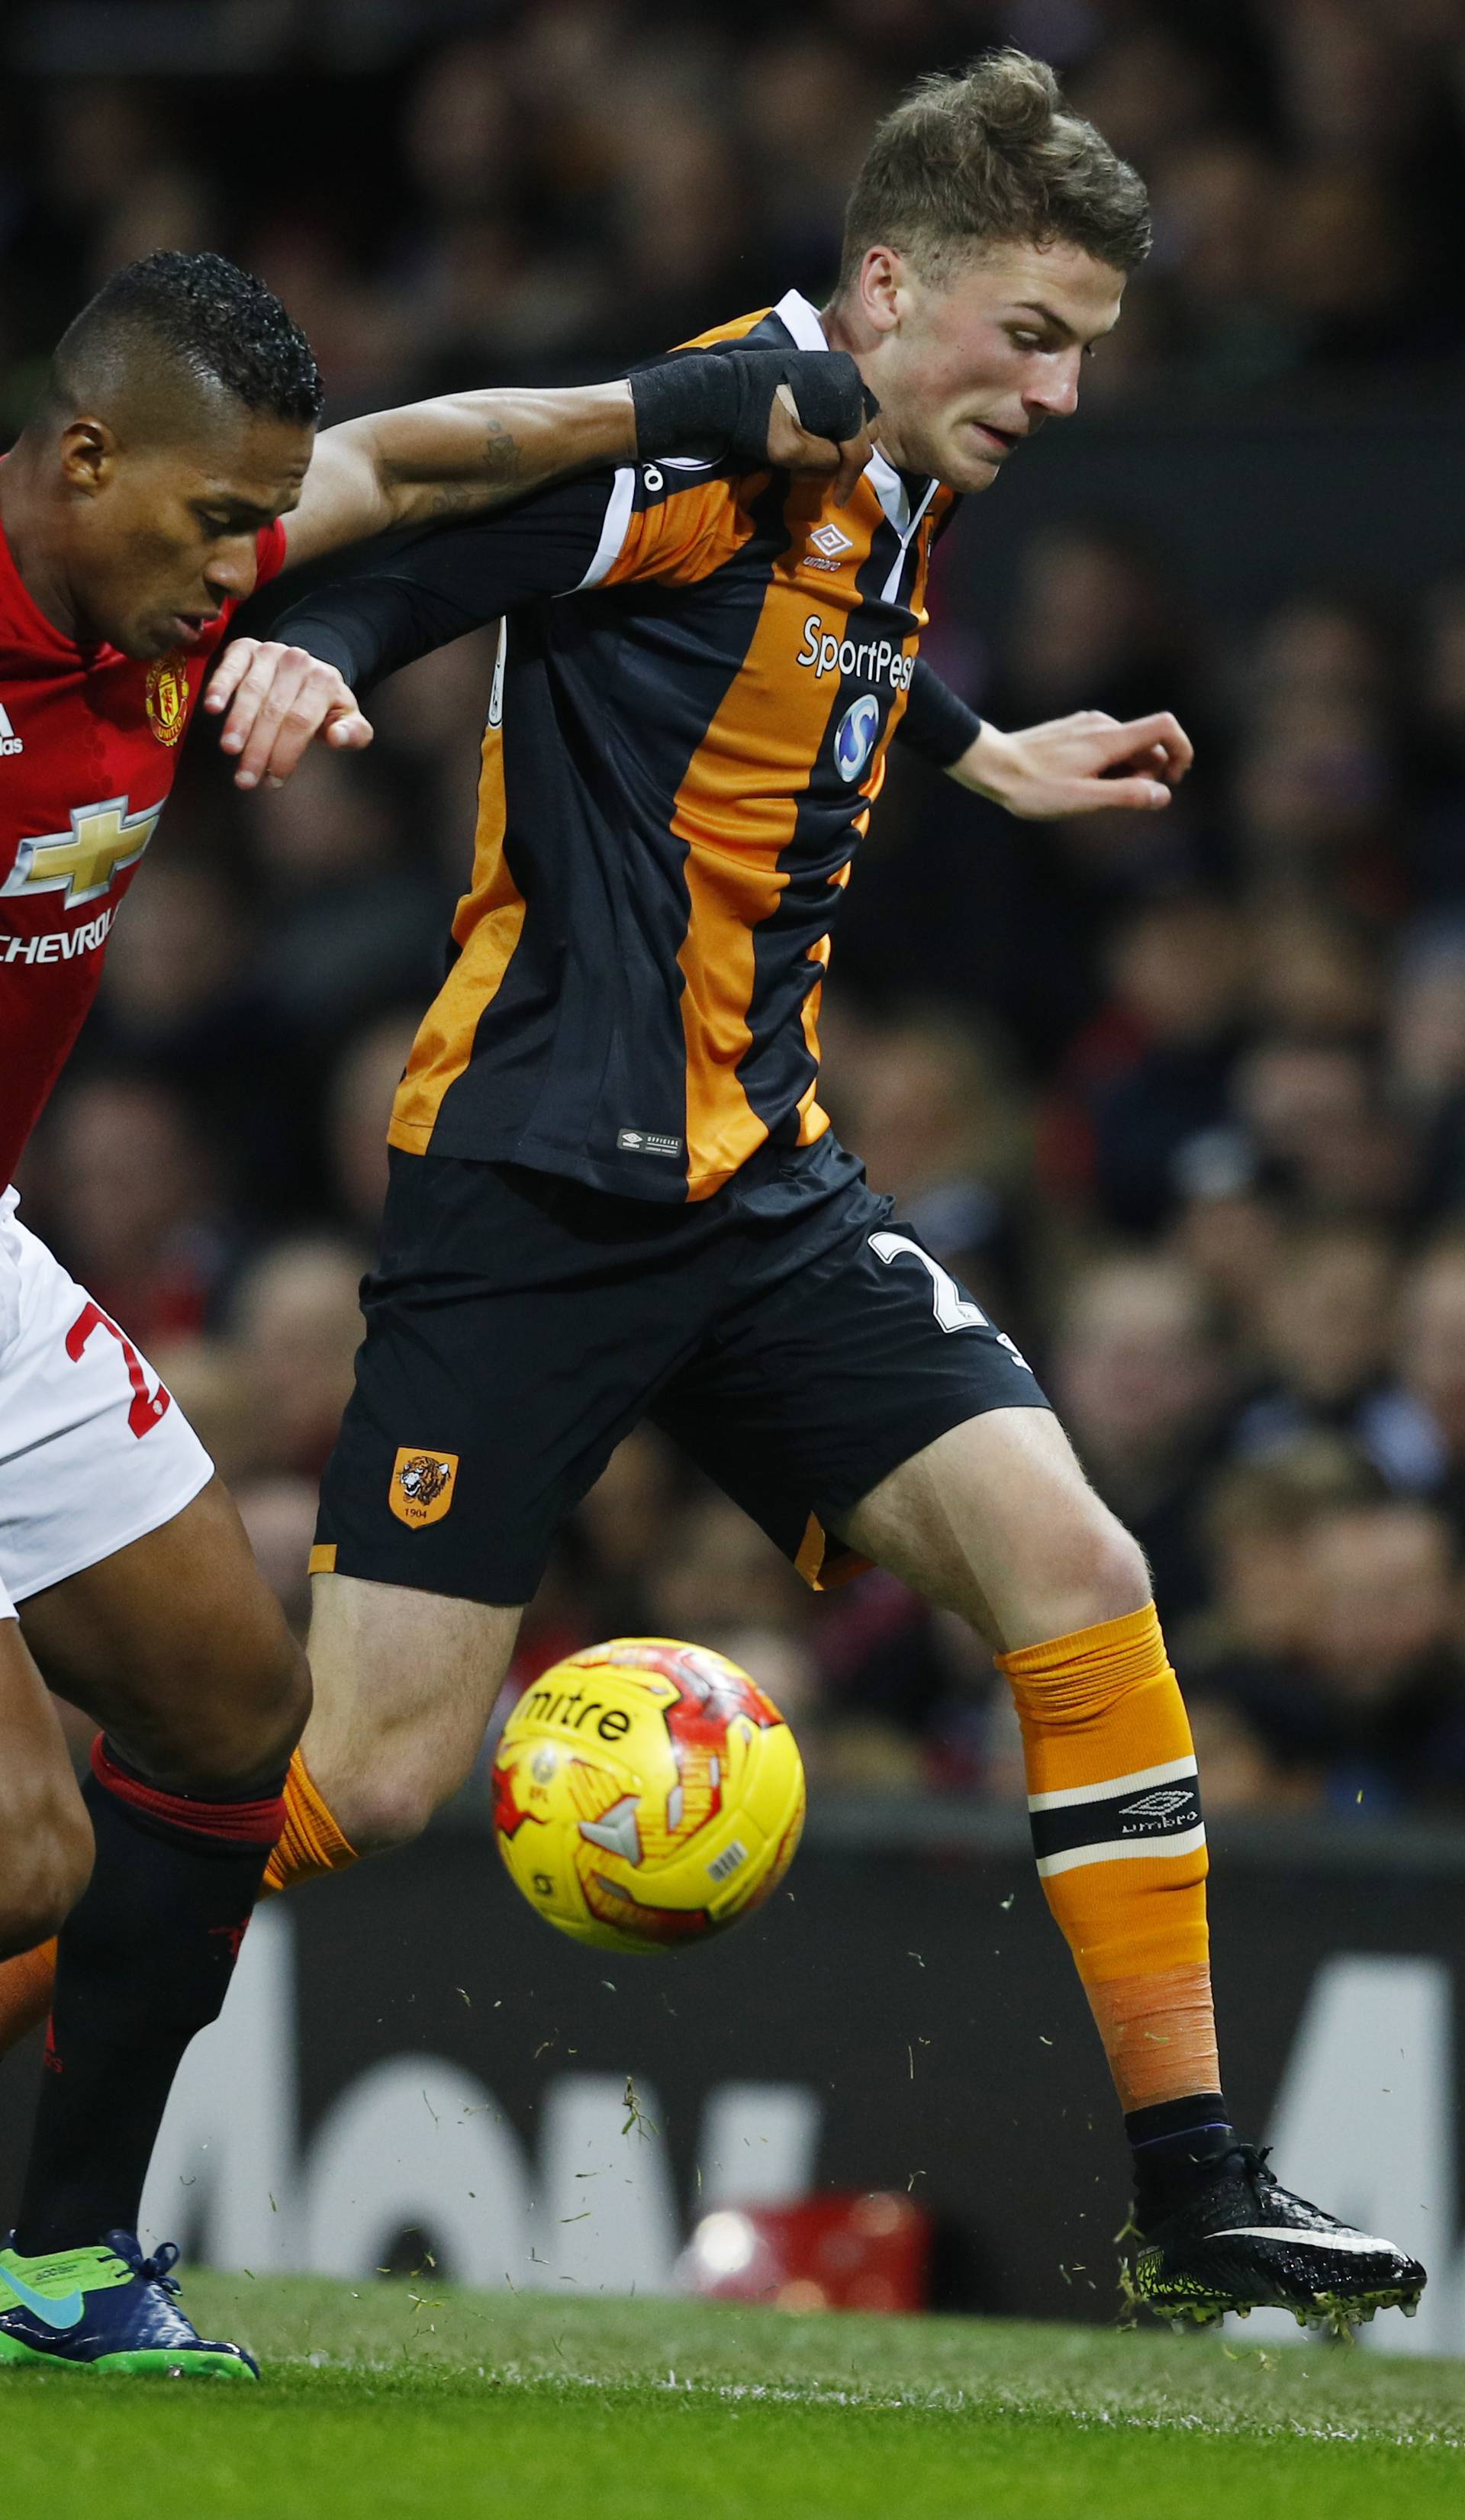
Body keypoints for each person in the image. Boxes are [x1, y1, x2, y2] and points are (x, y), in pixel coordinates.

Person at [205, 47, 1425, 2331]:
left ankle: (1192, 2187)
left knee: (1083, 1570)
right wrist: (317, 646)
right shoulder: (723, 415)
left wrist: (994, 755)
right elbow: (467, 531)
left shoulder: (895, 456)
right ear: (888, 287)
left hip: (762, 1187)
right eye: (1032, 336)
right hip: (533, 1190)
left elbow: (826, 645)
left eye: (1091, 351)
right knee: (361, 1781)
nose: (1060, 393)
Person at [0, 247, 872, 2380]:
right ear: (80, 455)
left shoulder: (173, 551)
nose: (236, 576)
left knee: (224, 1715)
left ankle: (66, 2265)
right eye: (214, 527)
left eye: (252, 531)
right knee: (24, 1841)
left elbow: (446, 449)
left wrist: (701, 405)